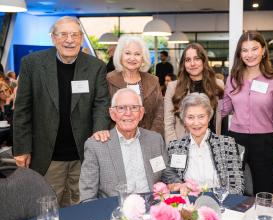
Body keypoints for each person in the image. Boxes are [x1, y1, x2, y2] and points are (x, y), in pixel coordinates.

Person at [13, 16, 110, 207]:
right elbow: (22, 109)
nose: (69, 40)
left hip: (83, 155)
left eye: (75, 35)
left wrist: (99, 130)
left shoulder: (95, 66)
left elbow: (101, 103)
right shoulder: (32, 64)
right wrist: (22, 148)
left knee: (81, 207)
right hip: (47, 156)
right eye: (63, 34)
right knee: (46, 208)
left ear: (81, 38)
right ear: (53, 38)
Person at [220, 31, 273, 195]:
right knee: (234, 190)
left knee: (264, 191)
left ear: (263, 50)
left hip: (264, 142)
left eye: (254, 49)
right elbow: (225, 109)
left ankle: (262, 219)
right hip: (236, 140)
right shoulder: (233, 79)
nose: (249, 55)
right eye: (245, 50)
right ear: (240, 53)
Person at [80, 88, 167, 202]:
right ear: (112, 114)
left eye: (134, 108)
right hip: (114, 211)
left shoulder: (155, 140)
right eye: (121, 108)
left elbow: (166, 174)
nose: (128, 113)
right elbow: (87, 196)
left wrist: (178, 184)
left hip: (152, 207)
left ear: (141, 113)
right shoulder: (96, 146)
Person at [162, 93, 244, 194]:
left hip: (220, 203)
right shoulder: (176, 146)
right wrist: (179, 186)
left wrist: (200, 192)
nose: (196, 123)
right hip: (188, 204)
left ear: (209, 117)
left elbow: (237, 188)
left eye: (201, 117)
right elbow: (169, 175)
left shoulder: (226, 144)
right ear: (184, 120)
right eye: (190, 117)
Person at [164, 43, 224, 144]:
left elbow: (220, 119)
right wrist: (174, 148)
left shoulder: (218, 85)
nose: (192, 63)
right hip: (183, 145)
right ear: (184, 64)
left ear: (203, 61)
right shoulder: (173, 87)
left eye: (196, 58)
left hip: (212, 145)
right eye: (188, 60)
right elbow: (168, 124)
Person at [107, 35, 163, 135]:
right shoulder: (108, 80)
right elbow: (103, 113)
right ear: (120, 56)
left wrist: (153, 137)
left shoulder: (153, 81)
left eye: (137, 54)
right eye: (127, 53)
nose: (132, 58)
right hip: (115, 140)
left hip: (148, 140)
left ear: (143, 58)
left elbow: (159, 113)